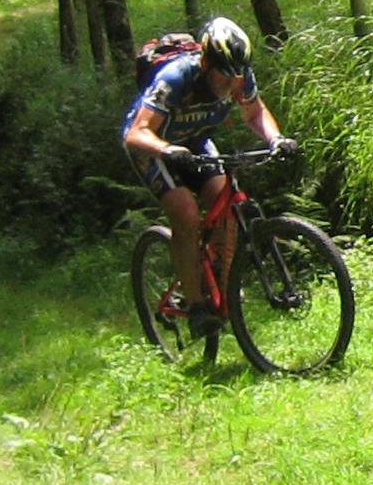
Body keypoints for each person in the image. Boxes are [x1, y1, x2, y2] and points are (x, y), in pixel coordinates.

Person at [121, 16, 292, 327]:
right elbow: (137, 133)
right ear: (205, 63)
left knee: (224, 204)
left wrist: (276, 139)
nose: (231, 84)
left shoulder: (239, 75)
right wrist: (167, 150)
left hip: (195, 143)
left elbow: (254, 113)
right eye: (223, 75)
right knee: (186, 214)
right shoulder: (176, 77)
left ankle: (217, 281)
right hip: (154, 146)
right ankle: (196, 306)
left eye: (237, 75)